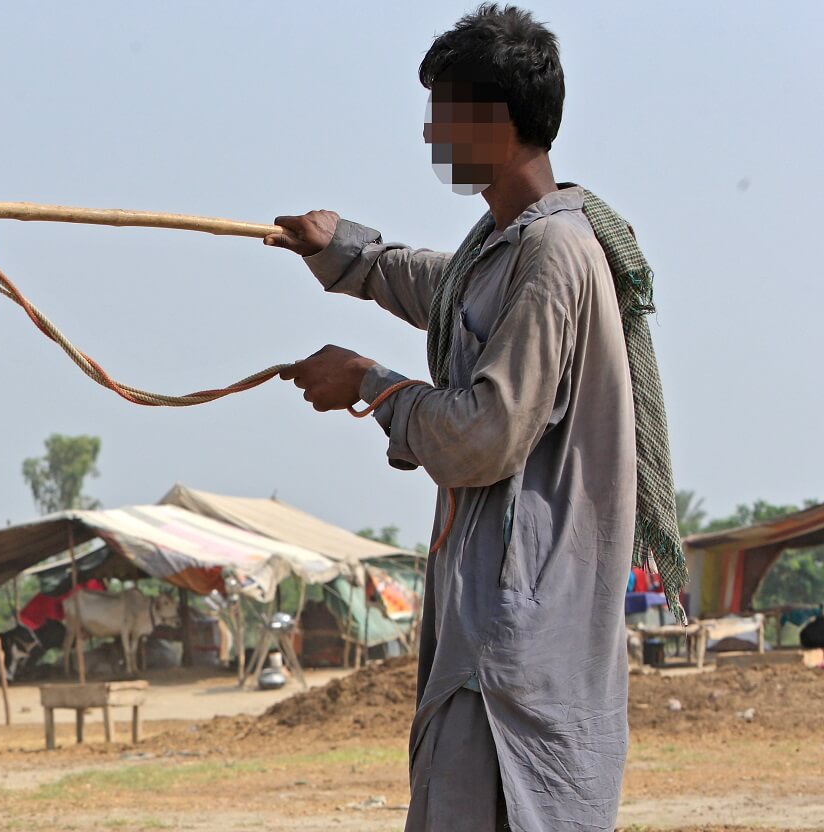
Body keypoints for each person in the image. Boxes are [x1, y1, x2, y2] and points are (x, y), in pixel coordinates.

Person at [263, 5, 679, 830]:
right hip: (487, 639)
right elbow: (444, 286)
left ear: (497, 119)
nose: (430, 135)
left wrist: (369, 384)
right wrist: (338, 247)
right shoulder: (507, 245)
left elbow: (486, 435)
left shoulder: (554, 252)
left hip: (517, 649)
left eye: (444, 113)